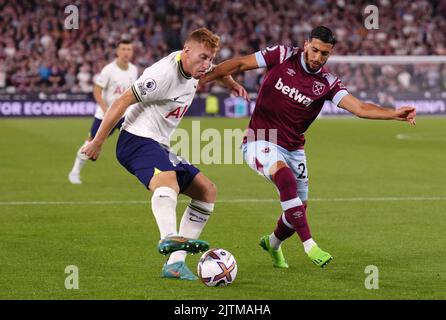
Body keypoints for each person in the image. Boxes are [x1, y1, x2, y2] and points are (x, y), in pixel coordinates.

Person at [199, 26, 416, 269]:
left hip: (294, 149)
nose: (317, 58)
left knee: (297, 212)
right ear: (305, 45)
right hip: (260, 138)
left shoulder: (327, 83)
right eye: (314, 50)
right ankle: (309, 244)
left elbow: (359, 108)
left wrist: (393, 113)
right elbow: (239, 64)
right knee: (285, 179)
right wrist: (202, 80)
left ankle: (272, 243)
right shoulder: (281, 55)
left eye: (324, 54)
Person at [81, 28, 248, 280]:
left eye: (210, 58)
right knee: (167, 180)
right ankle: (168, 237)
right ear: (186, 50)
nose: (206, 64)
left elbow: (214, 73)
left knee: (207, 191)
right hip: (135, 139)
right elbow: (122, 101)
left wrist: (231, 82)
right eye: (203, 57)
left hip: (159, 144)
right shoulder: (161, 75)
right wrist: (97, 142)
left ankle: (175, 264)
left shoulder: (194, 68)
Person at [68, 39, 138, 184]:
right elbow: (97, 91)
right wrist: (106, 109)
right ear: (118, 52)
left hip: (124, 114)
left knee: (138, 139)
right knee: (90, 145)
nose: (126, 52)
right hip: (105, 115)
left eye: (129, 49)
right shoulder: (108, 70)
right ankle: (75, 172)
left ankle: (145, 172)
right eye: (123, 49)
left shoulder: (133, 69)